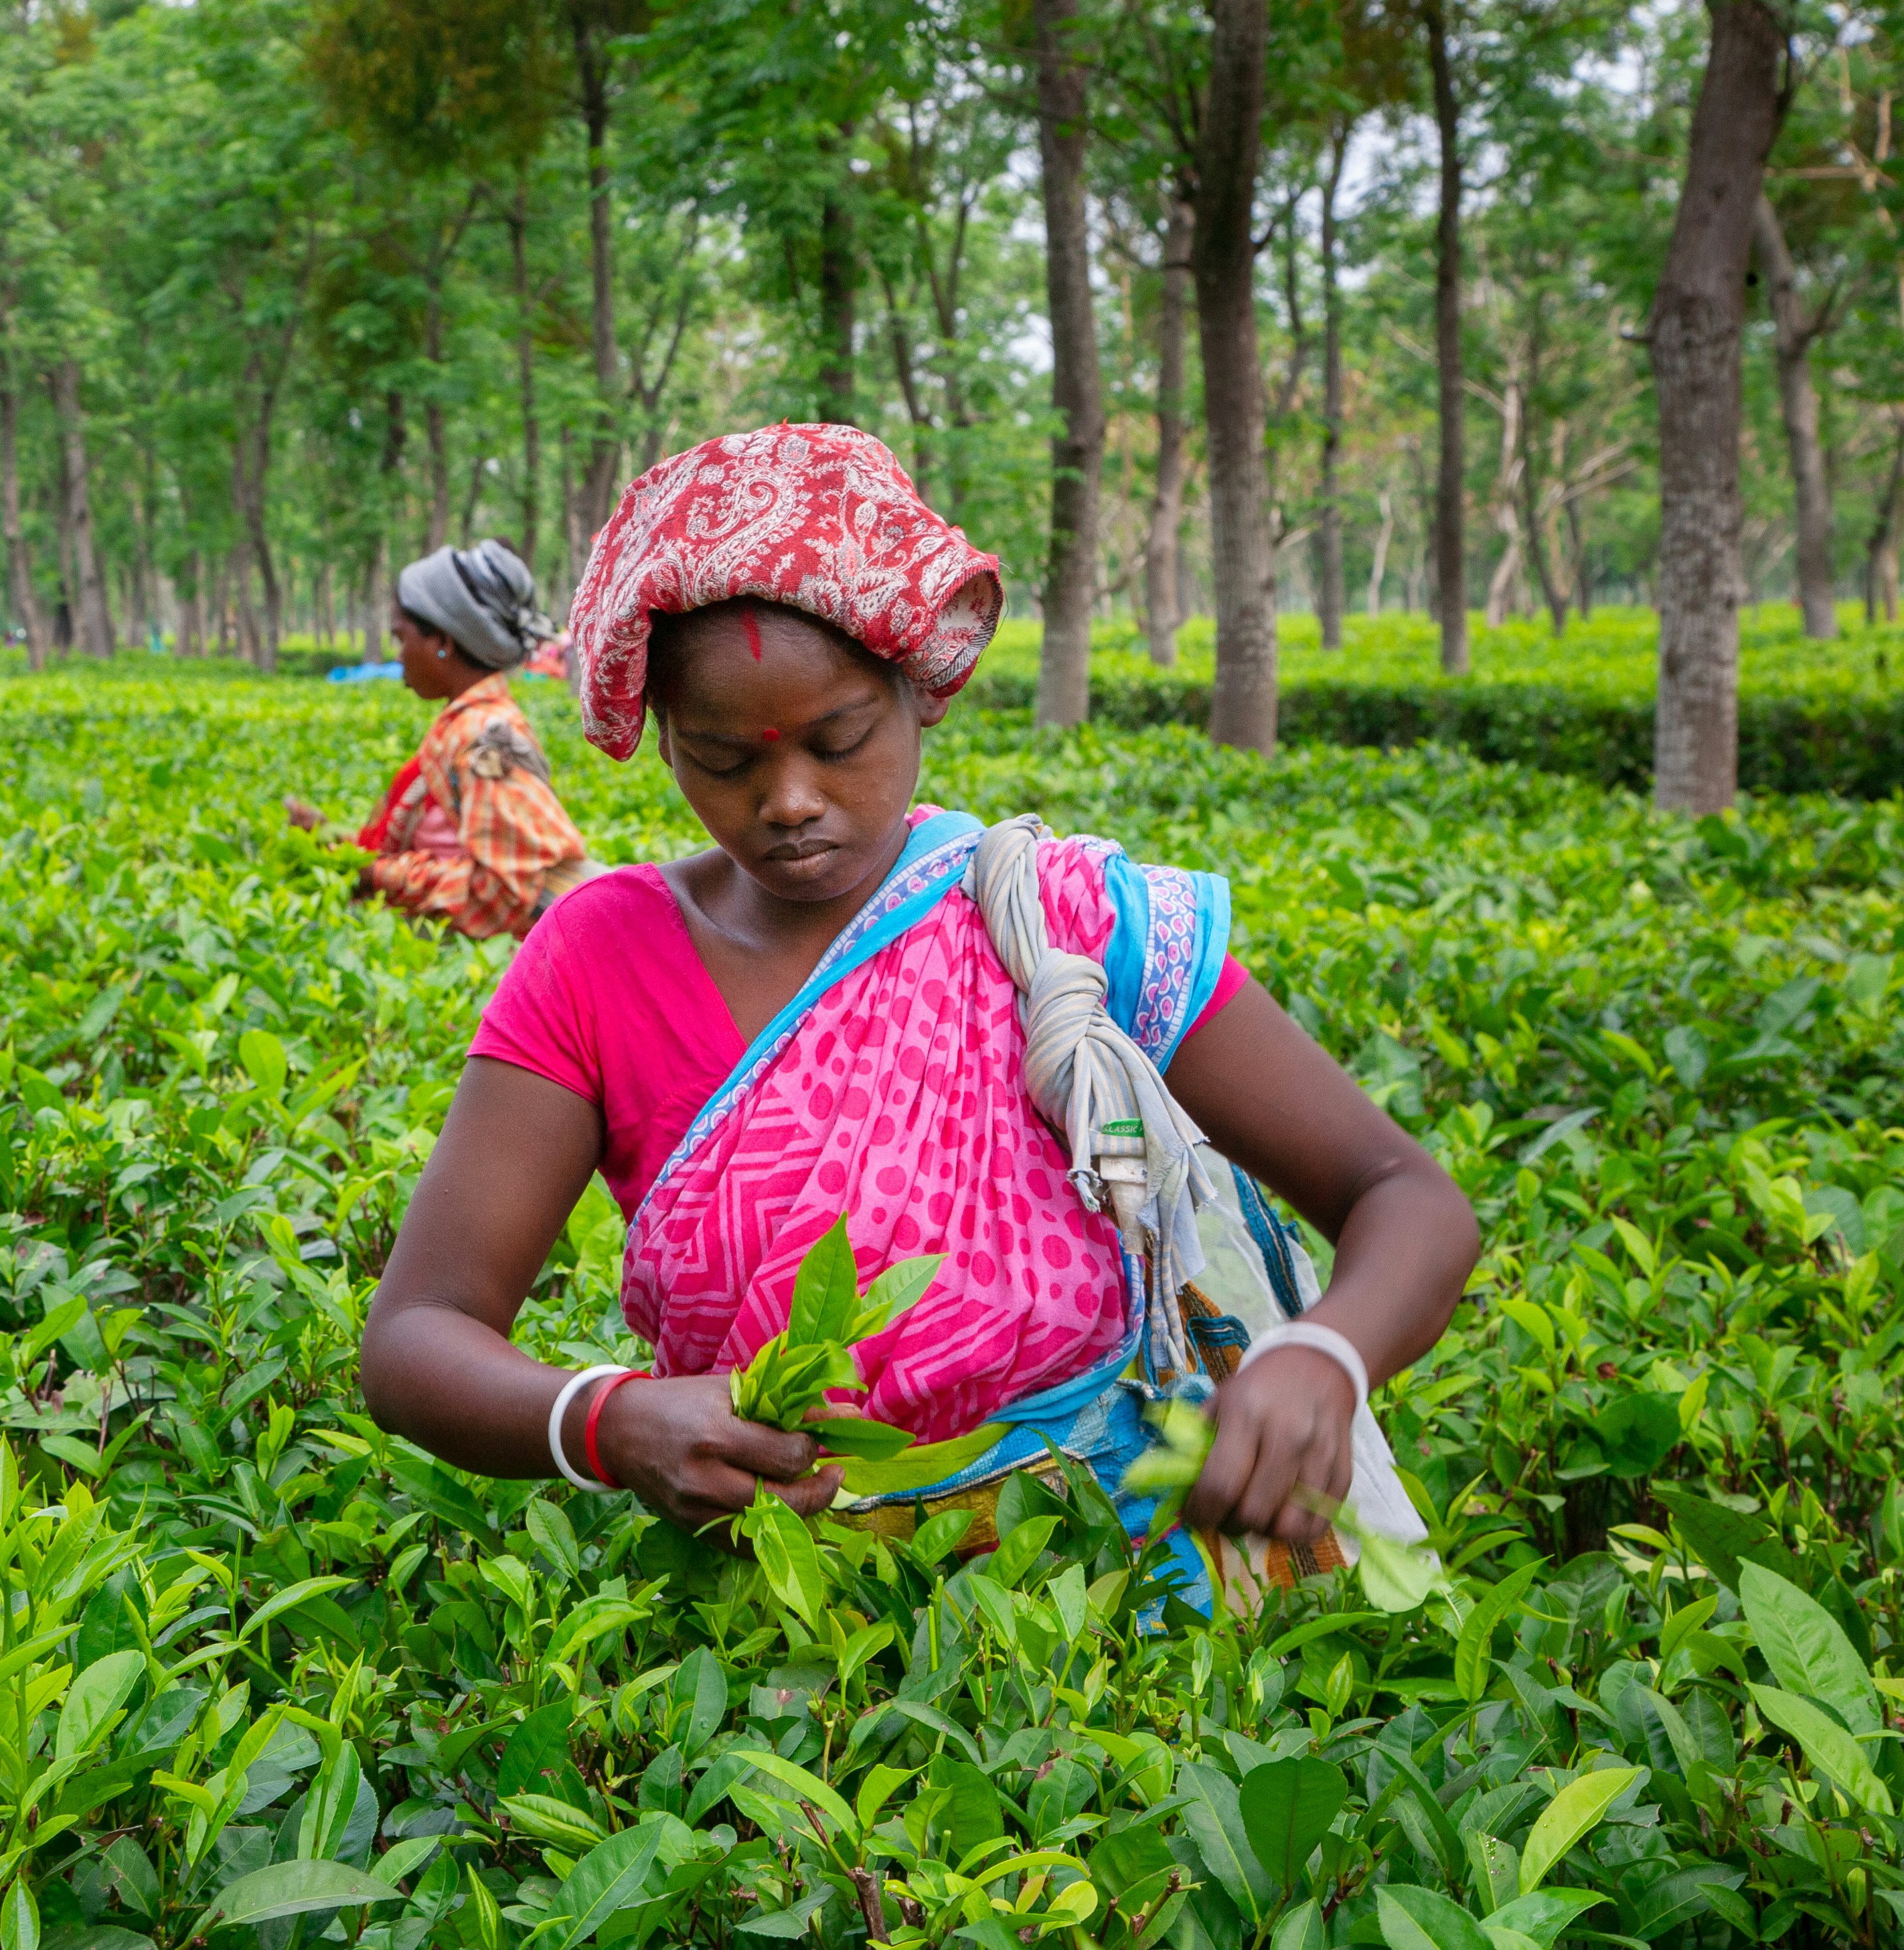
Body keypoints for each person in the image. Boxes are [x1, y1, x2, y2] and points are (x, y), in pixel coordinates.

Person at [357, 427, 1479, 1610]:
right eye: (722, 757)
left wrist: (1323, 1356)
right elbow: (418, 1333)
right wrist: (603, 1418)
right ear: (663, 738)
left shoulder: (1065, 925)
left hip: (1126, 1605)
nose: (789, 802)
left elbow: (1403, 1195)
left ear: (918, 691)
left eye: (840, 740)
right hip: (788, 1643)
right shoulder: (598, 959)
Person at [337, 540, 601, 940]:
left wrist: (379, 876)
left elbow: (507, 889)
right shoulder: (469, 724)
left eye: (402, 638)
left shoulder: (483, 739)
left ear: (443, 642)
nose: (399, 655)